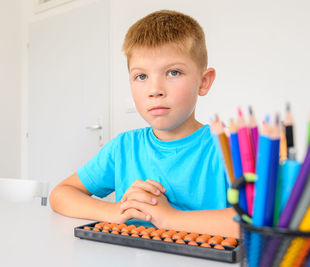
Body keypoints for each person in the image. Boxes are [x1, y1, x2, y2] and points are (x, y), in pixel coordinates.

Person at [49, 10, 238, 237]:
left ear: (204, 82)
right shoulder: (124, 147)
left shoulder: (229, 148)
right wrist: (116, 211)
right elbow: (60, 194)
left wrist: (170, 218)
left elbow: (259, 224)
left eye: (173, 72)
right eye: (141, 76)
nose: (154, 90)